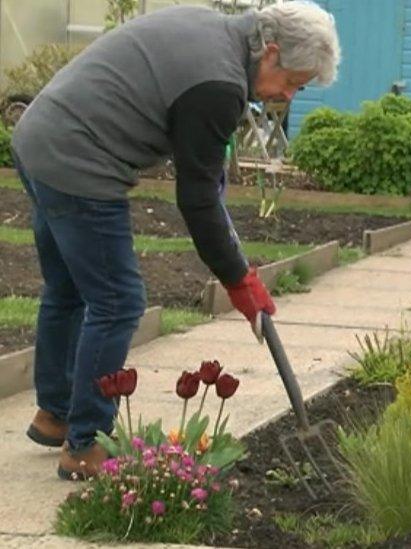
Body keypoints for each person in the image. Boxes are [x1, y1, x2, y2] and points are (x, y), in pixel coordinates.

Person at [12, 2, 340, 480]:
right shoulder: (221, 84)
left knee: (67, 290)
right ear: (270, 53)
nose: (287, 95)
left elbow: (200, 169)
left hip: (38, 139)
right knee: (118, 302)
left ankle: (56, 414)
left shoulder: (212, 28)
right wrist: (239, 280)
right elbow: (198, 200)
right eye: (292, 80)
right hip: (79, 161)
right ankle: (85, 446)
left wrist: (216, 203)